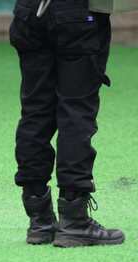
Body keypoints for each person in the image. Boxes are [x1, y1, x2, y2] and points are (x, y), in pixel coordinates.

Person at [9, 0, 125, 247]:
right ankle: (75, 219)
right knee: (76, 112)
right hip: (77, 13)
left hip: (29, 13)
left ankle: (39, 220)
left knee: (35, 112)